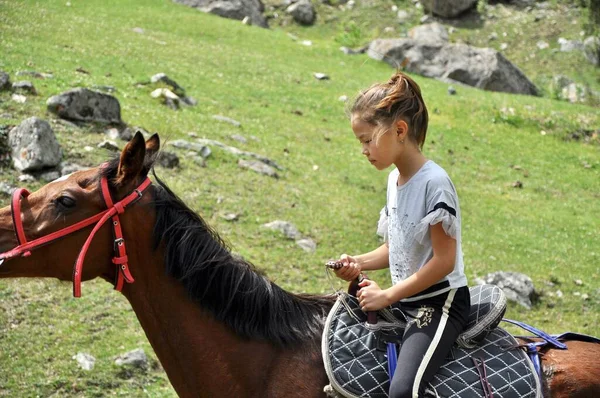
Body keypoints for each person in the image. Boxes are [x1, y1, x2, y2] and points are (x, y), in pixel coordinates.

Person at [333, 71, 470, 398]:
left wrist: (387, 296)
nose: (363, 150)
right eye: (360, 142)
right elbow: (398, 247)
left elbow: (444, 262)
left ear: (399, 130)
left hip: (439, 304)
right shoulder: (394, 182)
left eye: (367, 140)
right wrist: (358, 262)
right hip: (408, 299)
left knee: (402, 392)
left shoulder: (434, 183)